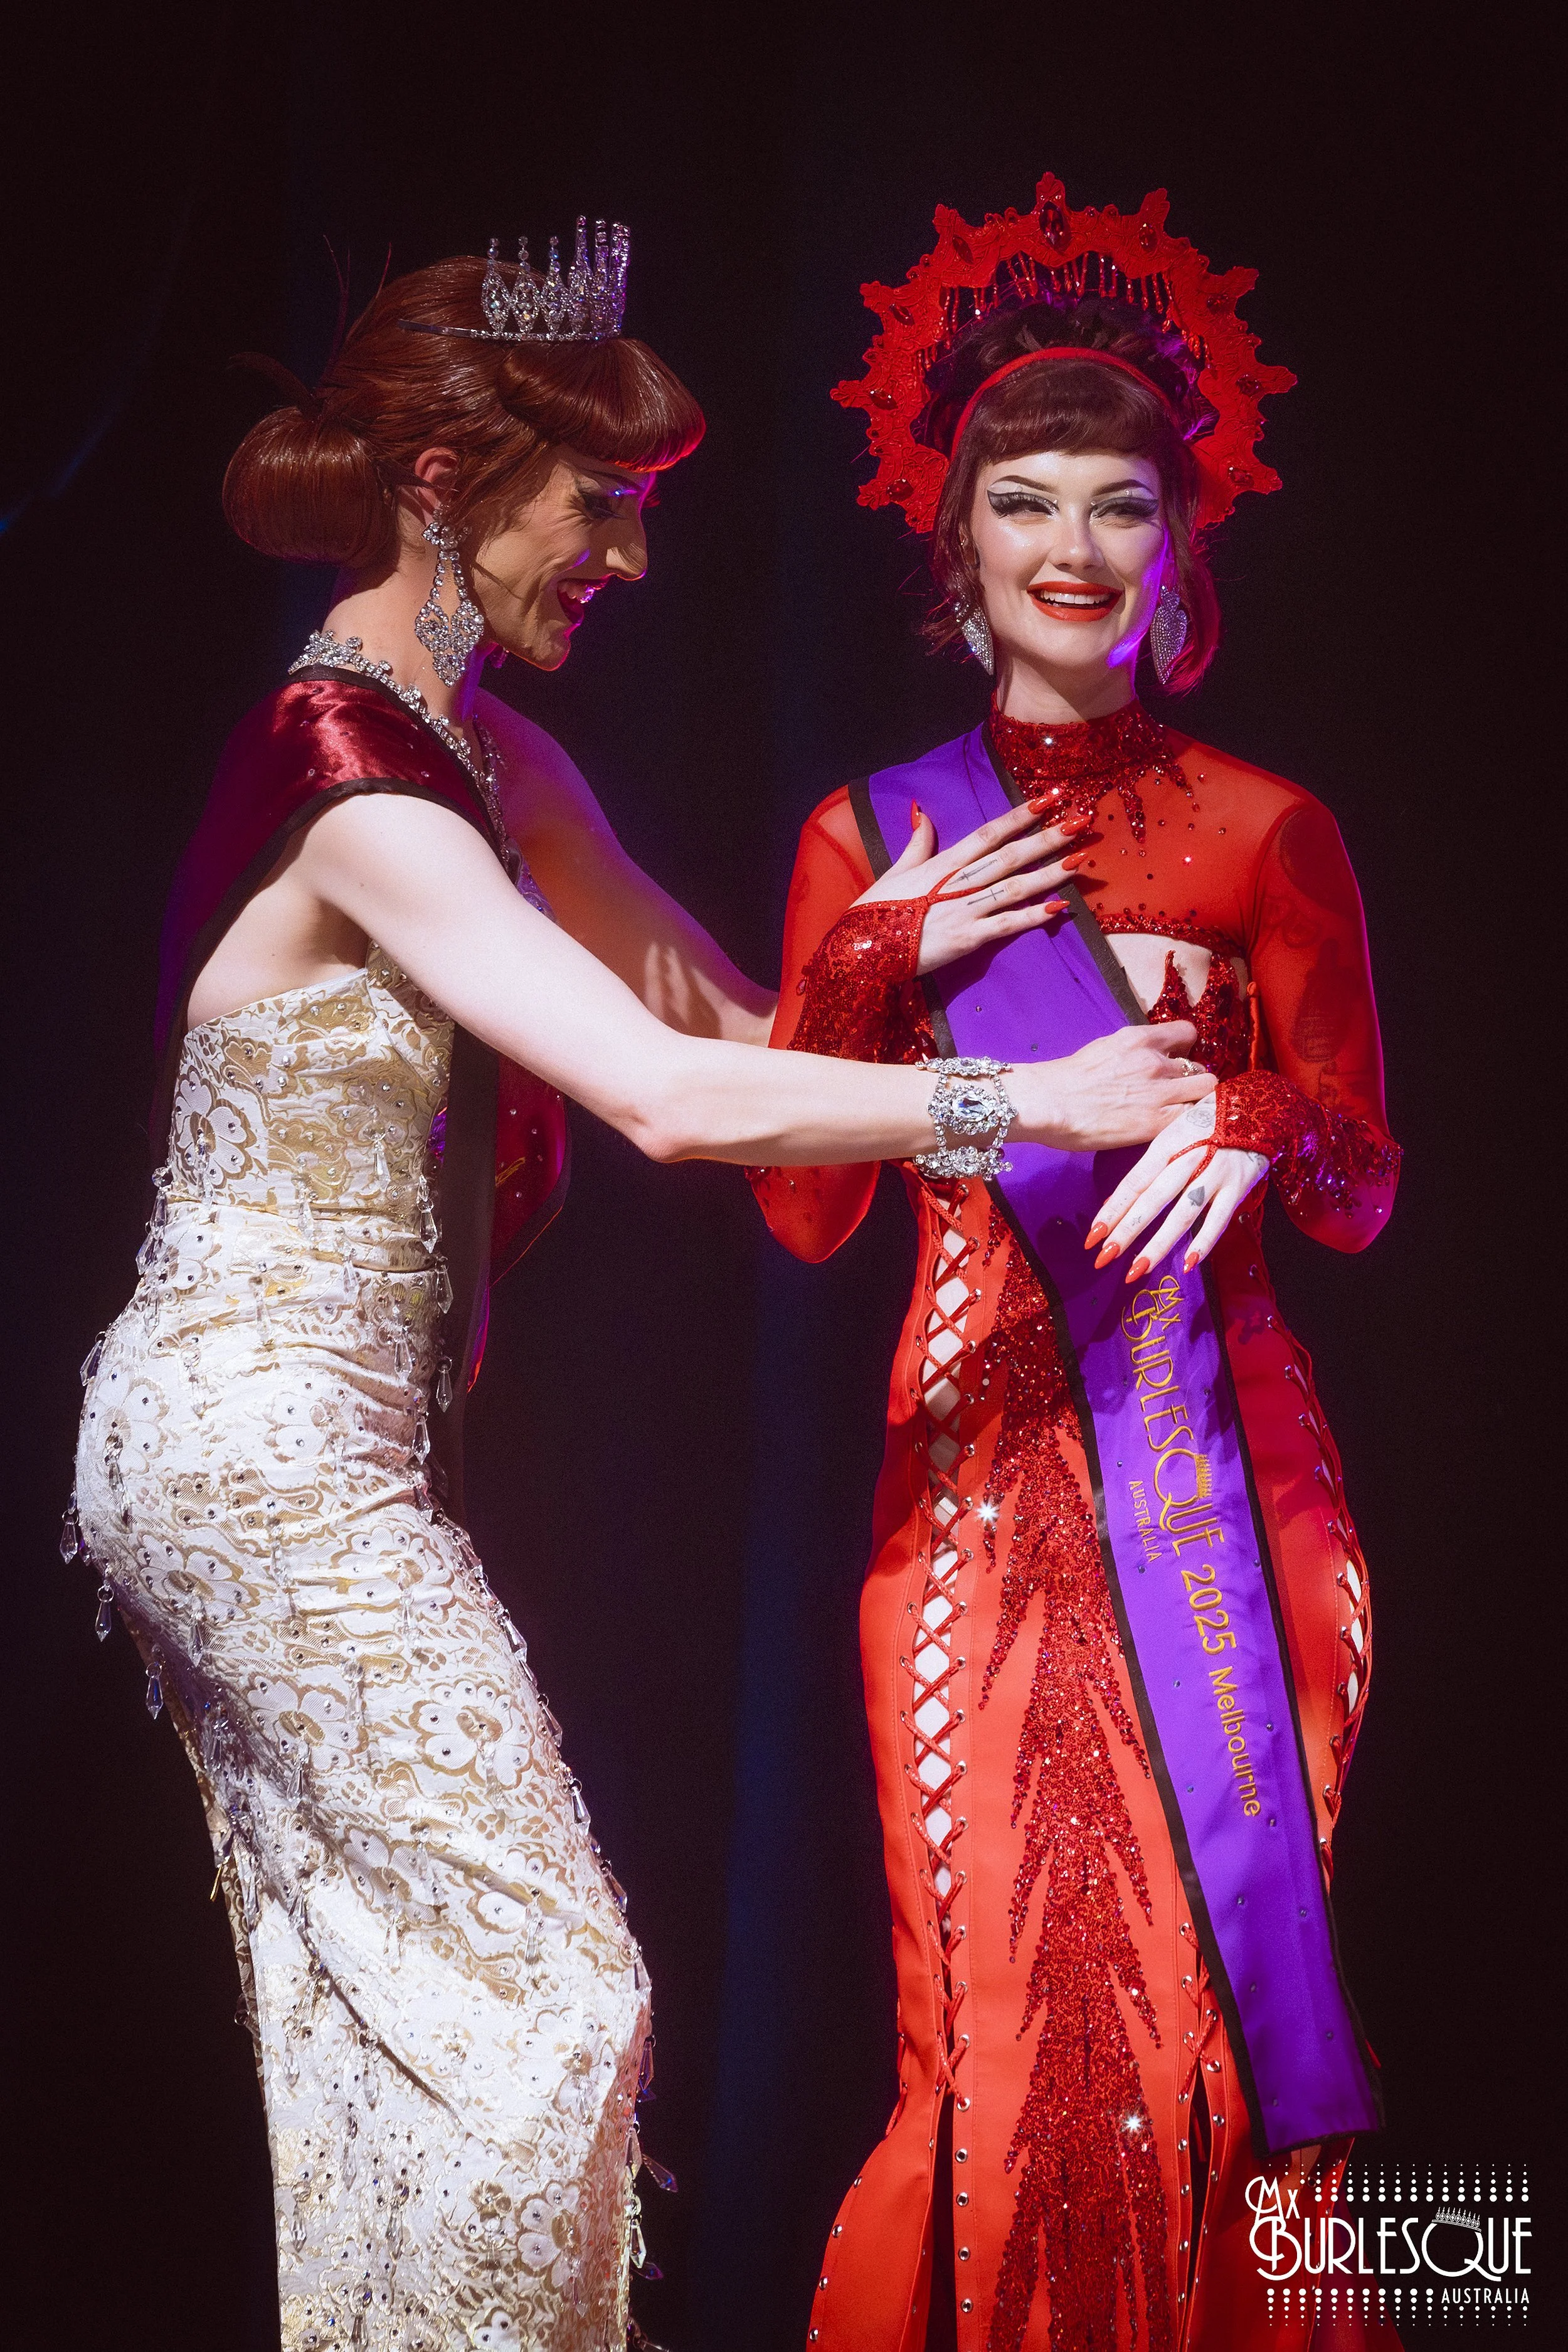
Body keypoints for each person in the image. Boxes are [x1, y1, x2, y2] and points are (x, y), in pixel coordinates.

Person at [62, 223, 1213, 2352]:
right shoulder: (357, 789)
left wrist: (886, 958)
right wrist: (1034, 1091)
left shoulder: (489, 765)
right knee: (549, 1998)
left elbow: (736, 1020)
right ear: (442, 488)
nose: (634, 562)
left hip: (306, 1451)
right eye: (600, 507)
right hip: (246, 1448)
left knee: (398, 2033)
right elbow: (675, 1104)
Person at [749, 177, 1402, 2351]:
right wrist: (876, 961)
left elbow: (1362, 1183)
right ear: (951, 545)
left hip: (1226, 1491)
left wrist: (1248, 1110)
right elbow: (798, 1209)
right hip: (967, 1482)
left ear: (1179, 549)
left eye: (1120, 507)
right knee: (994, 2013)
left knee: (1231, 1992)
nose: (1069, 550)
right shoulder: (876, 833)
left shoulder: (1264, 823)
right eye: (1021, 503)